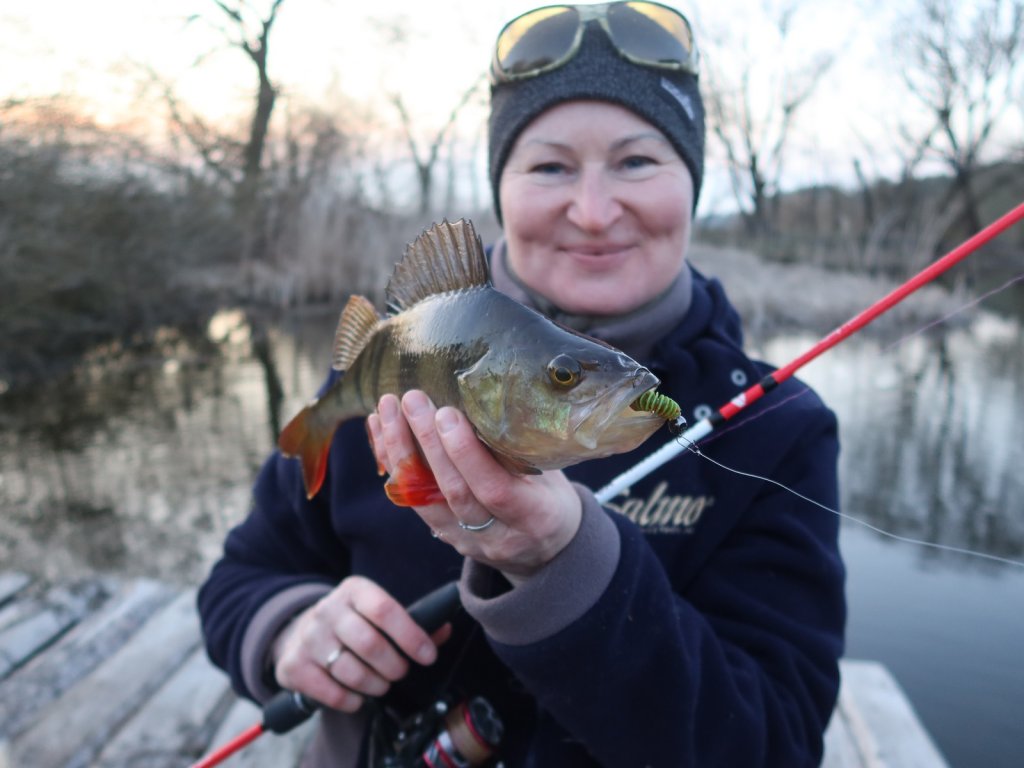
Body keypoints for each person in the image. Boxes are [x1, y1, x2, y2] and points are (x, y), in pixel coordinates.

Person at [198, 3, 846, 766]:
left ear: (693, 182)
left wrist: (570, 567)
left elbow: (775, 744)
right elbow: (239, 582)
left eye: (638, 161)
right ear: (501, 185)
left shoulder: (778, 429)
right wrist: (287, 629)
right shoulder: (383, 381)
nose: (596, 211)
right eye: (549, 166)